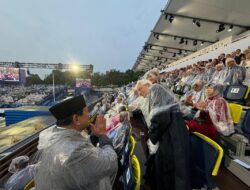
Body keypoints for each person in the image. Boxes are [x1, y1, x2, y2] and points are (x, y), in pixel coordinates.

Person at [34, 95, 118, 190]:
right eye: (87, 112)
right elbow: (111, 163)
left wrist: (94, 136)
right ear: (76, 119)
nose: (89, 115)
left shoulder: (53, 136)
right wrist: (103, 135)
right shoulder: (76, 152)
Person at [136, 79, 190, 190]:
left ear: (147, 85)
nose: (139, 93)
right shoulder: (155, 93)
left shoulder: (155, 89)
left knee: (171, 171)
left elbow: (161, 117)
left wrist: (152, 135)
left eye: (140, 89)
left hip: (172, 137)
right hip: (172, 133)